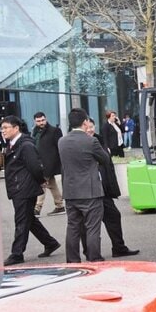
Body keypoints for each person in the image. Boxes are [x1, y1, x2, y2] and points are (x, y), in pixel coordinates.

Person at [0, 116, 60, 265]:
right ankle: (50, 242)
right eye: (2, 128)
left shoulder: (25, 145)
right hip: (18, 188)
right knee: (29, 219)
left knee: (21, 220)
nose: (3, 131)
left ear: (16, 128)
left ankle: (17, 253)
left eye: (6, 127)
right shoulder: (11, 144)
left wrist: (41, 182)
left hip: (25, 189)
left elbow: (35, 166)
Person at [59, 108, 111, 263]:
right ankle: (94, 257)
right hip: (90, 191)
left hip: (70, 191)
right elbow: (105, 160)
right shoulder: (91, 141)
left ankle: (72, 260)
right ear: (85, 122)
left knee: (73, 227)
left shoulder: (62, 141)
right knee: (92, 227)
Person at [82, 117, 139, 258]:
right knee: (89, 223)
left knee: (113, 216)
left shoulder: (99, 139)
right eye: (87, 127)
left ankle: (119, 248)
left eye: (92, 126)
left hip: (103, 188)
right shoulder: (81, 143)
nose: (90, 129)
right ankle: (90, 252)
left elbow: (106, 162)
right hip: (89, 190)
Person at [32, 111, 65, 217]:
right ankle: (59, 206)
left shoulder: (54, 131)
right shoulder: (35, 132)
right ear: (35, 121)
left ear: (46, 119)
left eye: (42, 120)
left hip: (49, 163)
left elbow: (60, 147)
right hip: (40, 162)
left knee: (42, 184)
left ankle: (37, 208)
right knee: (52, 184)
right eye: (38, 121)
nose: (41, 122)